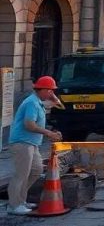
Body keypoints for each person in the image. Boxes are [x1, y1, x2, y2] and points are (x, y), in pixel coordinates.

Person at [8, 77, 62, 216]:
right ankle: (14, 205)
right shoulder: (32, 103)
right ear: (42, 89)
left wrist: (54, 97)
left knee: (36, 170)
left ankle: (21, 200)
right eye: (49, 90)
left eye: (52, 90)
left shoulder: (39, 102)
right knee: (21, 174)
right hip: (22, 142)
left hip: (32, 143)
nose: (51, 93)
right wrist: (49, 133)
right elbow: (29, 125)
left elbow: (61, 106)